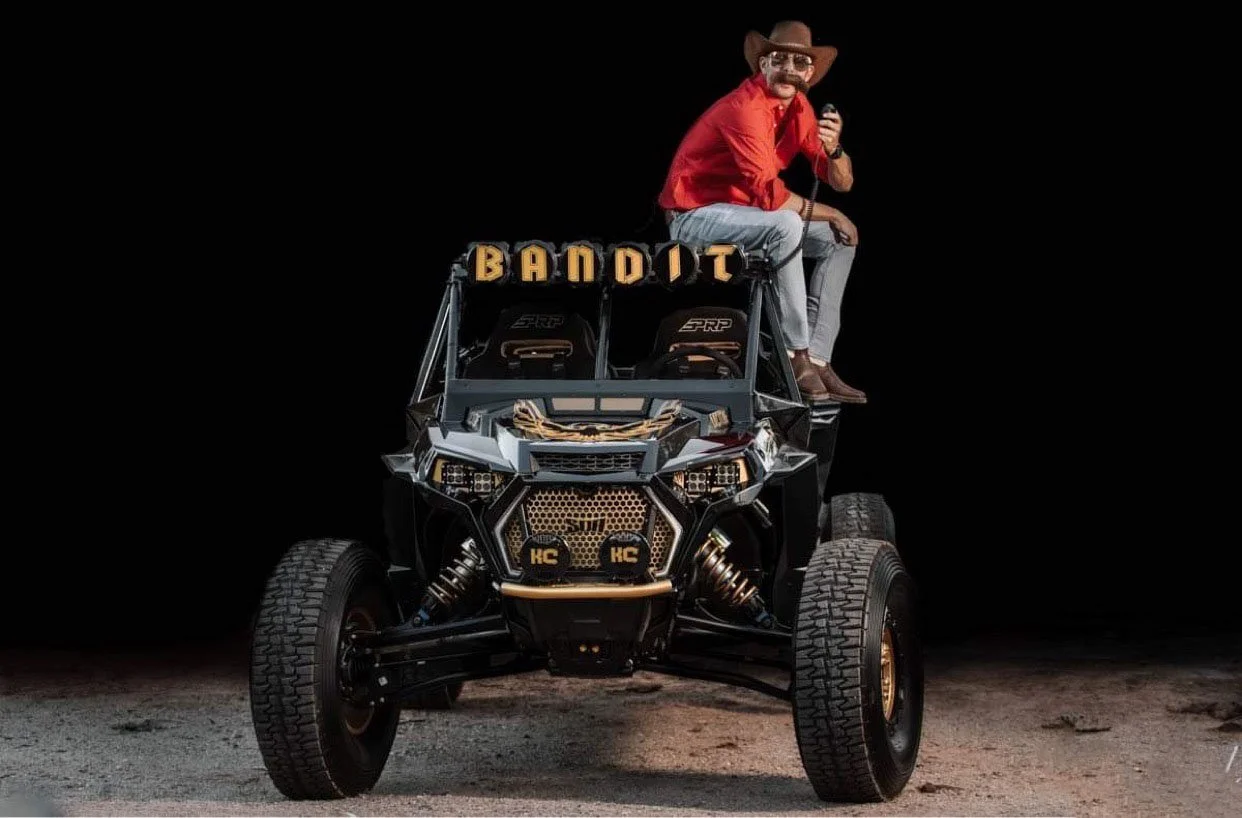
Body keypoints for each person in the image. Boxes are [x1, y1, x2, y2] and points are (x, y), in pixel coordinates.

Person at [657, 20, 867, 403]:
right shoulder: (744, 108)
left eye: (799, 62)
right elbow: (771, 198)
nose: (789, 68)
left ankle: (817, 358)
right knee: (788, 223)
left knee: (839, 242)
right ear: (762, 64)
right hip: (695, 217)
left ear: (809, 73)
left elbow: (842, 181)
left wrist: (835, 149)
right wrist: (835, 213)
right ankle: (794, 355)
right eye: (779, 58)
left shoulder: (799, 106)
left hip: (747, 217)